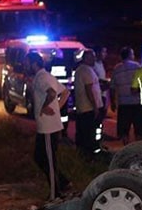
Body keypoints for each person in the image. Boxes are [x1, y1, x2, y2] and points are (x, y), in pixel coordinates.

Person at [26, 52, 71, 200]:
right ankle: (63, 182)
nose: (25, 66)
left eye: (27, 63)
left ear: (34, 63)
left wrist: (46, 106)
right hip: (46, 126)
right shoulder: (45, 76)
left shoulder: (42, 78)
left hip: (48, 127)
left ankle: (55, 194)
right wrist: (56, 106)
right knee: (40, 157)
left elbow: (52, 93)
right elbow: (65, 92)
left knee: (48, 159)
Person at [73, 49, 104, 159]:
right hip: (88, 109)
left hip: (84, 108)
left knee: (84, 132)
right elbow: (89, 90)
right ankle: (89, 154)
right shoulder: (86, 70)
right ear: (86, 58)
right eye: (92, 57)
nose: (94, 59)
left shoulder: (84, 70)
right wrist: (95, 107)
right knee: (89, 133)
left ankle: (83, 153)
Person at [111, 46, 142, 145]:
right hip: (136, 102)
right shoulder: (137, 67)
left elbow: (113, 87)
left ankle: (125, 147)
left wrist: (113, 102)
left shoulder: (117, 69)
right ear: (130, 55)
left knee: (124, 129)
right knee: (139, 128)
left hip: (123, 103)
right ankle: (138, 147)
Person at [92, 45, 110, 129]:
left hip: (103, 93)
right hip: (97, 95)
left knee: (101, 116)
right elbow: (94, 79)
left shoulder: (101, 64)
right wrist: (104, 82)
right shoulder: (93, 64)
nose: (105, 54)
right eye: (103, 52)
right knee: (97, 118)